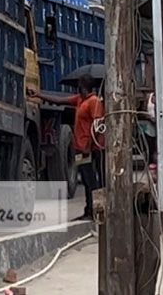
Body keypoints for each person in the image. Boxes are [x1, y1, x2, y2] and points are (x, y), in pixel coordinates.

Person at [34, 74, 105, 220]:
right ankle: (89, 209)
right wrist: (39, 95)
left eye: (79, 83)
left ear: (83, 85)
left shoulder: (94, 101)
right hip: (81, 148)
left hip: (90, 149)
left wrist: (89, 144)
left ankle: (95, 210)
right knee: (86, 179)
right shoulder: (80, 99)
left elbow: (98, 126)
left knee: (92, 180)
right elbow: (60, 101)